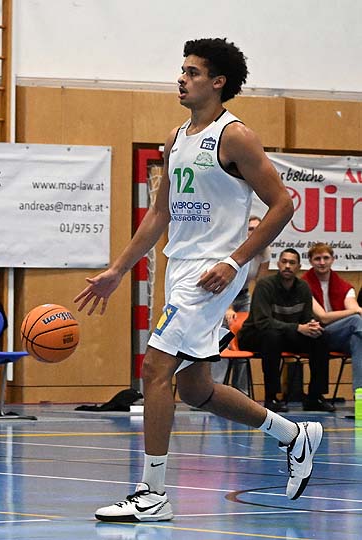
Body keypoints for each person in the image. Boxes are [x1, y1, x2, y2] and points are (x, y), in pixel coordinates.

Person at [74, 38, 322, 522]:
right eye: (182, 70)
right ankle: (293, 434)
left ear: (218, 82)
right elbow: (160, 213)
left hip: (213, 270)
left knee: (154, 368)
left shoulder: (236, 136)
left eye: (192, 72)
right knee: (194, 388)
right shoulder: (176, 138)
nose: (181, 78)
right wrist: (118, 269)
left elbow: (283, 205)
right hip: (180, 266)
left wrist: (235, 261)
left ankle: (153, 493)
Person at [238, 248, 334, 413]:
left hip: (286, 334)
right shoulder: (265, 285)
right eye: (284, 262)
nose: (287, 266)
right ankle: (272, 397)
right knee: (272, 337)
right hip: (255, 335)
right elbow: (263, 322)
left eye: (292, 263)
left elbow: (306, 318)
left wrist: (312, 326)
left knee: (320, 338)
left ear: (299, 267)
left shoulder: (303, 287)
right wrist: (298, 328)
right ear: (278, 264)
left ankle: (315, 397)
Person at [212, 215, 271, 390]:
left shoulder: (264, 251)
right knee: (223, 338)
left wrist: (258, 309)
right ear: (244, 231)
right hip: (223, 294)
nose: (254, 232)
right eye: (250, 229)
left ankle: (241, 390)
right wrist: (228, 308)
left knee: (244, 336)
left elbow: (261, 284)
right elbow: (226, 282)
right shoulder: (234, 249)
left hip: (244, 296)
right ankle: (216, 387)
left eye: (258, 229)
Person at [302, 242, 362, 394]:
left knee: (358, 340)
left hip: (341, 336)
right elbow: (323, 317)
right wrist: (355, 311)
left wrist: (355, 311)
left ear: (333, 259)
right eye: (317, 259)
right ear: (310, 261)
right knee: (355, 320)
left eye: (326, 258)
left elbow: (354, 308)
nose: (322, 262)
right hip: (317, 336)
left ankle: (359, 396)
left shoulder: (345, 286)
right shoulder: (303, 285)